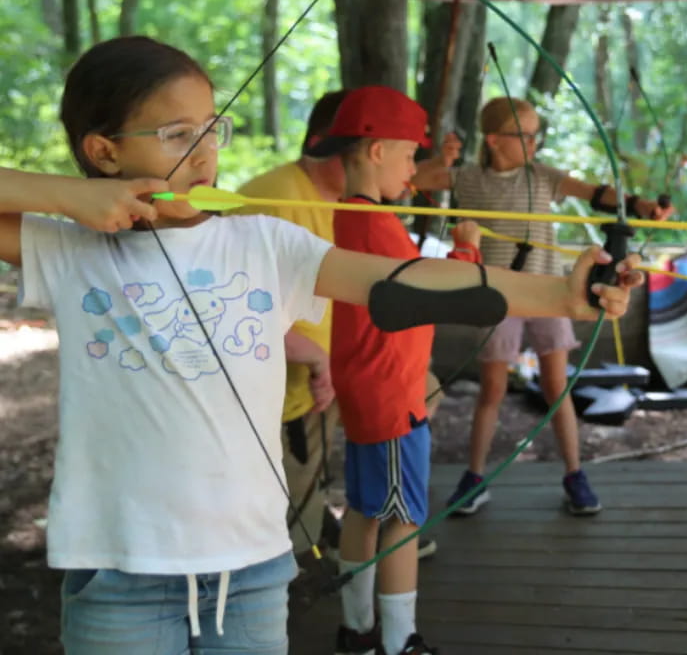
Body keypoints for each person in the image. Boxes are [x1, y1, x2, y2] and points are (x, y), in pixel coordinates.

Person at [0, 38, 642, 654]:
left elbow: (408, 280)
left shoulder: (263, 243)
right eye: (175, 135)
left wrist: (562, 295)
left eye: (211, 128)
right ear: (103, 152)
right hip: (121, 573)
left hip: (251, 569)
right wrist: (70, 196)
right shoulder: (71, 250)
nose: (203, 153)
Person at [411, 96, 672, 517]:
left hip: (552, 293)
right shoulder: (468, 180)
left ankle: (574, 474)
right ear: (494, 141)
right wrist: (439, 158)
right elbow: (414, 178)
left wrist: (641, 205)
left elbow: (595, 193)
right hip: (500, 295)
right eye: (525, 135)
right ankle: (474, 478)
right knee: (492, 390)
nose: (534, 143)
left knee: (557, 388)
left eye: (536, 134)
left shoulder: (542, 176)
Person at [303, 86, 486, 655]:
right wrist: (466, 253)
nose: (414, 171)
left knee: (364, 508)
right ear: (377, 150)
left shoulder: (353, 216)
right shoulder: (374, 224)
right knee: (404, 520)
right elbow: (428, 293)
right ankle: (400, 641)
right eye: (409, 156)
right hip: (389, 393)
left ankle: (356, 630)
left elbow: (399, 276)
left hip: (367, 387)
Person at [235, 90, 348, 559]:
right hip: (277, 392)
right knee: (281, 524)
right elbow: (233, 302)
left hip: (324, 376)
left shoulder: (349, 200)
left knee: (422, 389)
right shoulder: (275, 200)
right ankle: (291, 564)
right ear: (327, 145)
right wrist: (315, 356)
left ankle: (346, 520)